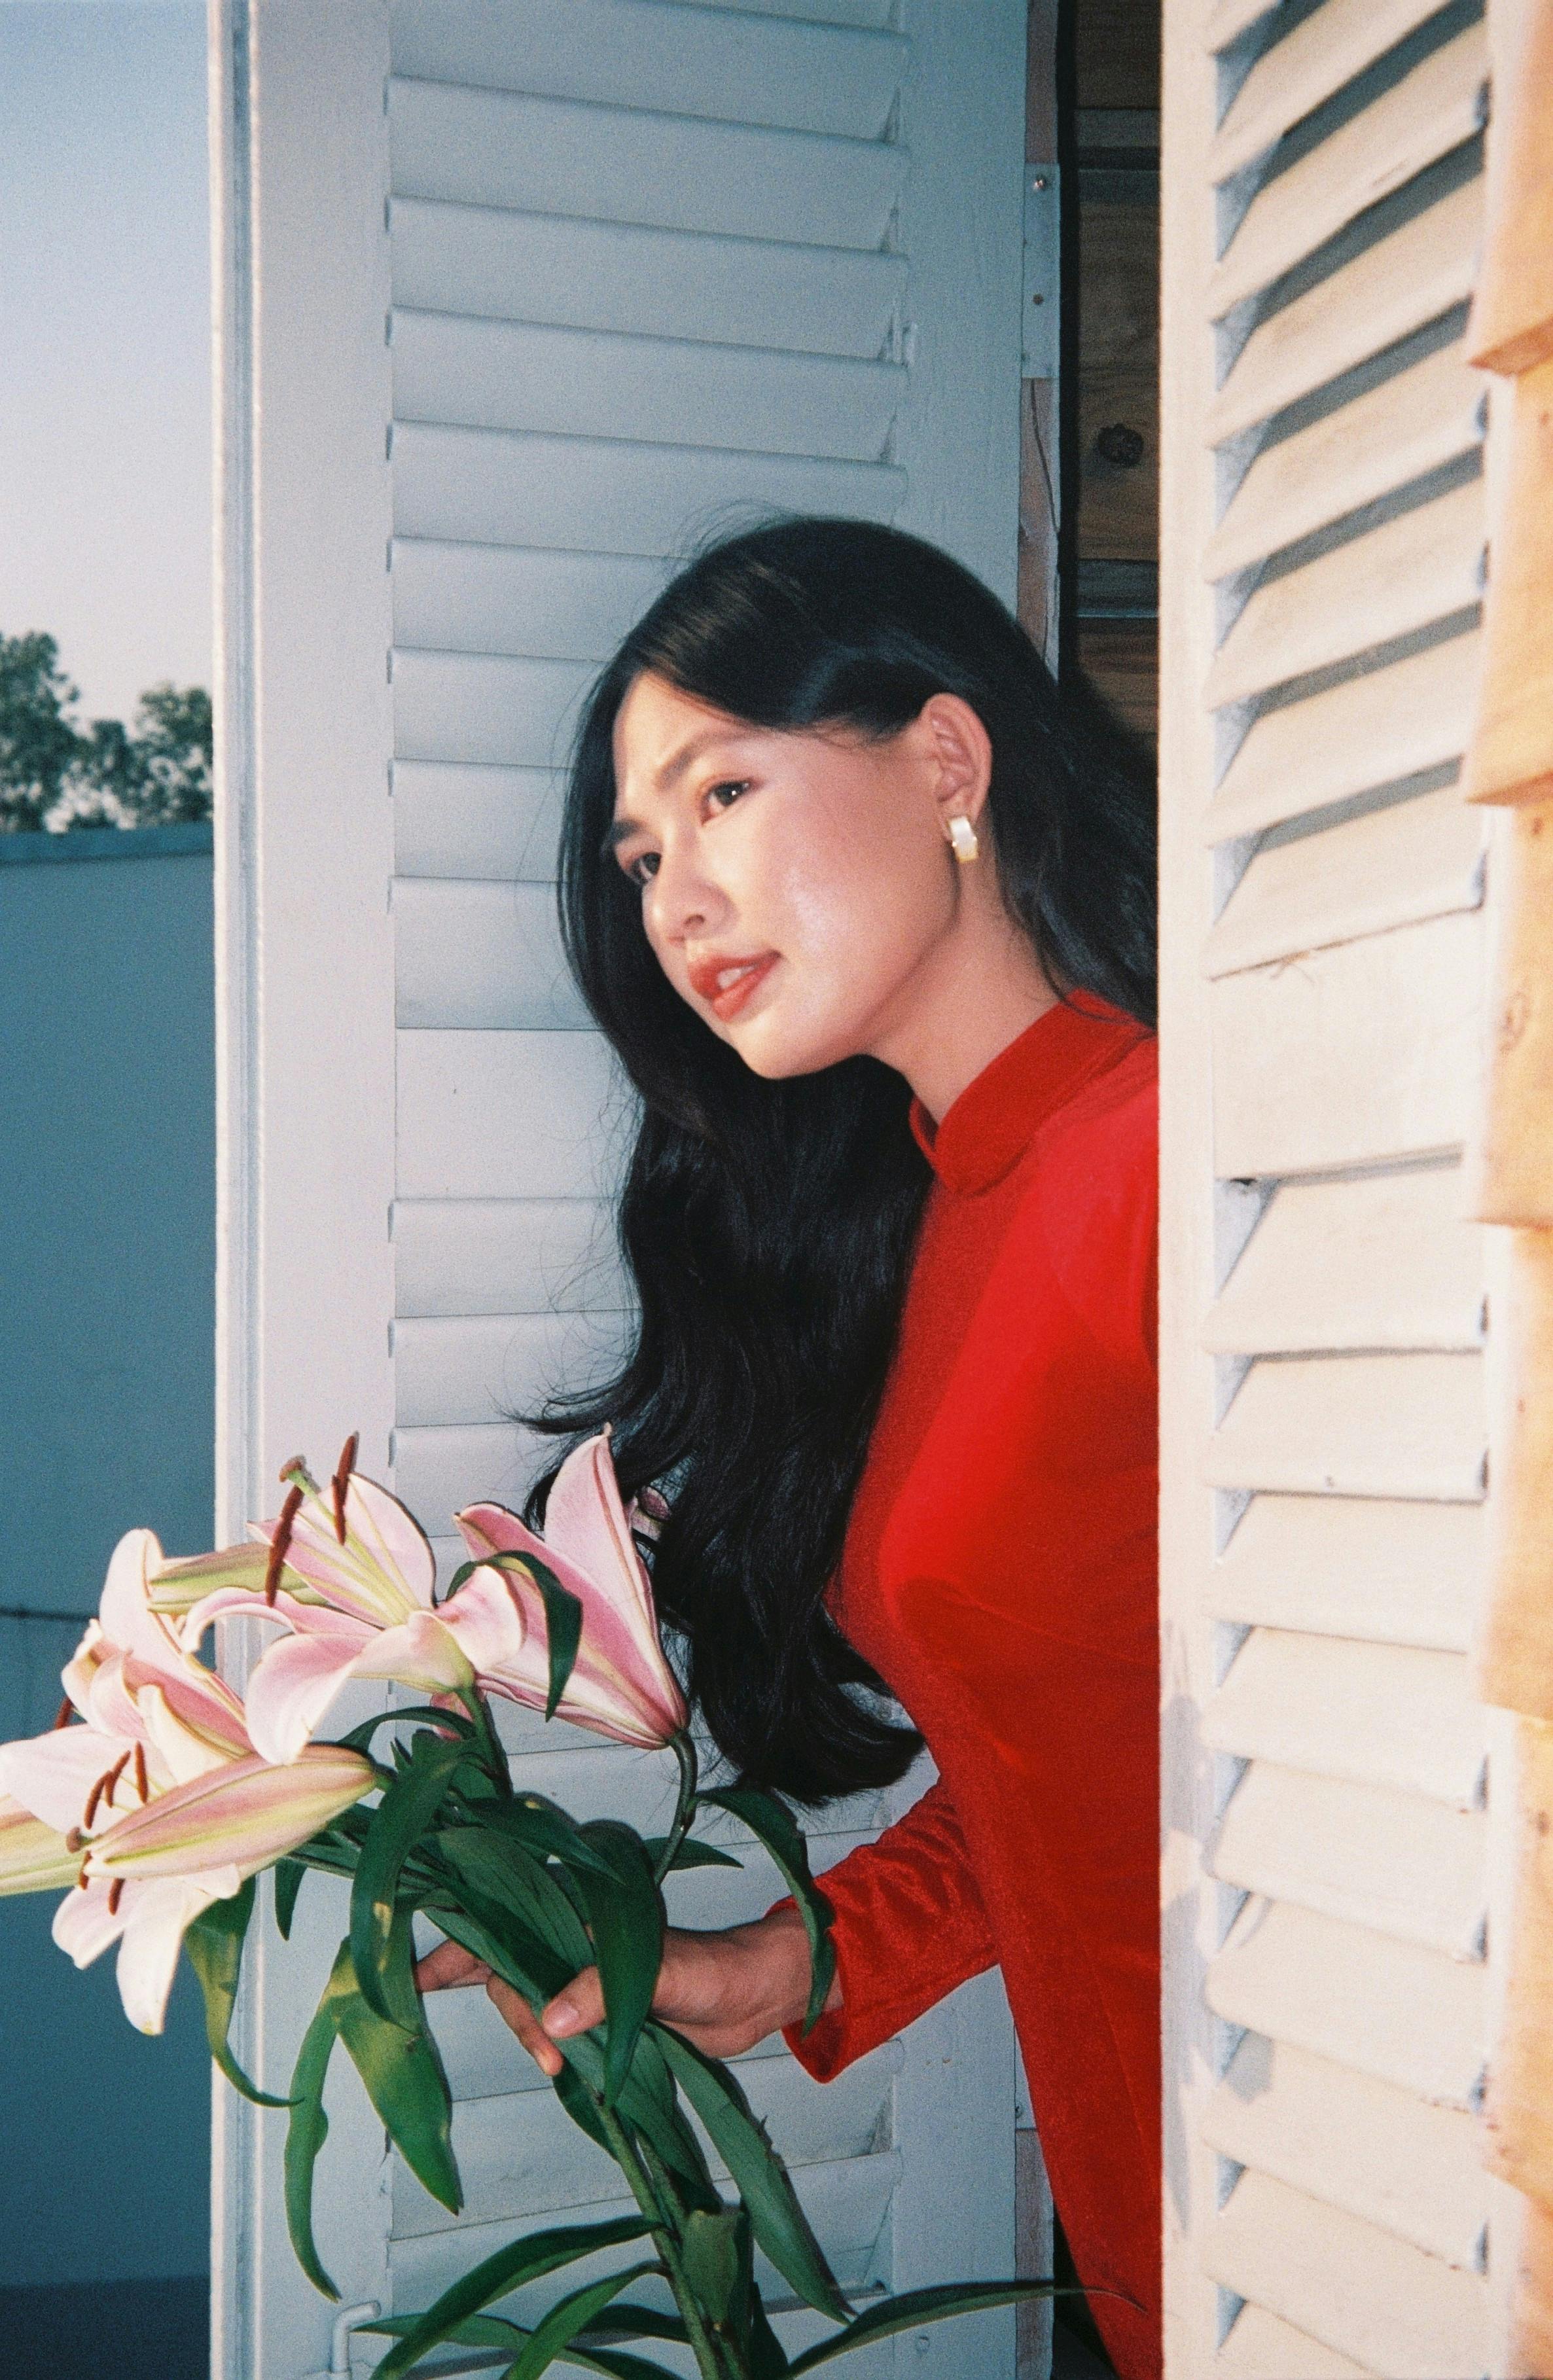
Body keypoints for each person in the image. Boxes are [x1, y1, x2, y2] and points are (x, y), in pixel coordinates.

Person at [417, 517, 1160, 2379]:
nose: (672, 902)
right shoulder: (938, 1216)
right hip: (1170, 2250)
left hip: (1377, 2189)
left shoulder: (1170, 1161)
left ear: (948, 760)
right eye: (641, 856)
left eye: (722, 793)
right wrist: (793, 1960)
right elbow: (1100, 1748)